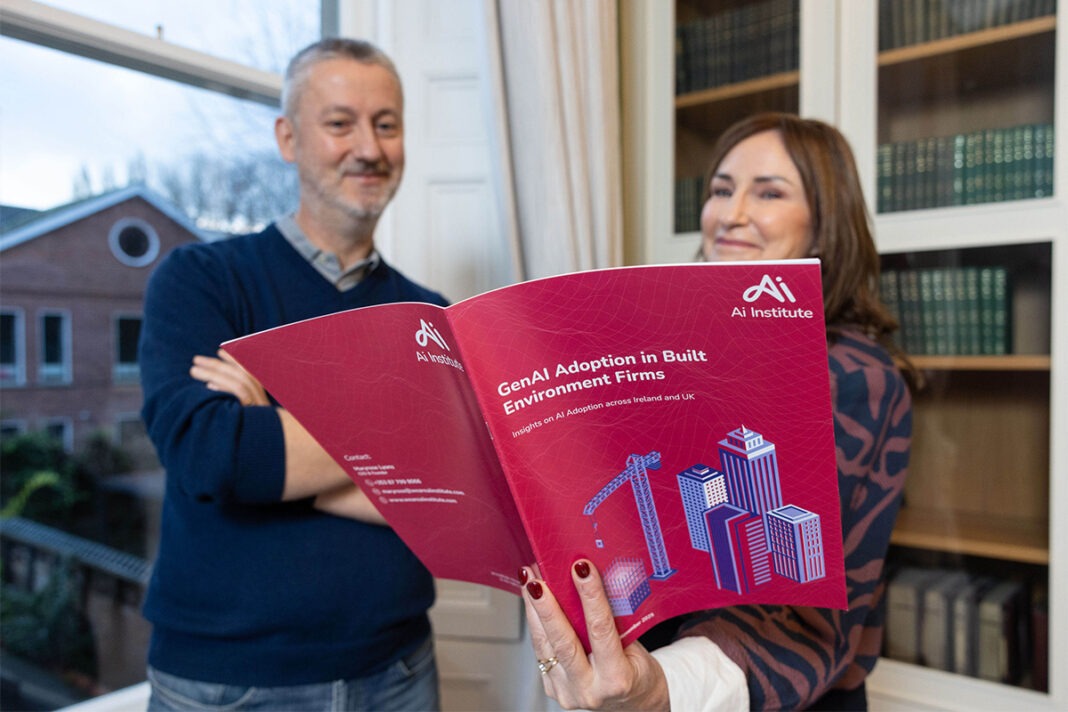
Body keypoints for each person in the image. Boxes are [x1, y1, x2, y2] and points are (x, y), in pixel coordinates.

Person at [520, 112, 915, 711]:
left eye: (769, 193)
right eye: (722, 189)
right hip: (644, 673)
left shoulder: (852, 375)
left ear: (824, 227)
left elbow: (792, 594)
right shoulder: (668, 355)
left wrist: (665, 687)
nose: (731, 214)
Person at [138, 38, 447, 711]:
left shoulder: (433, 319)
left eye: (386, 124)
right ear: (288, 138)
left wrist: (274, 432)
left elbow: (450, 494)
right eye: (340, 123)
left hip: (399, 670)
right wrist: (405, 439)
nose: (369, 147)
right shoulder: (200, 281)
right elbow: (215, 456)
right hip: (228, 684)